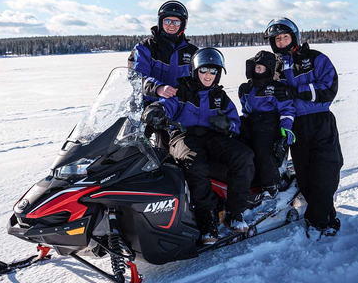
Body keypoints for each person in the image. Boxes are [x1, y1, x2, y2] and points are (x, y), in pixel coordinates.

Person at [142, 47, 255, 245]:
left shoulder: (220, 97)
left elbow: (235, 122)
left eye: (213, 71)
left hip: (212, 136)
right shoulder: (182, 90)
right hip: (183, 135)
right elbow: (167, 105)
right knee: (195, 163)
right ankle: (207, 219)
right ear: (195, 71)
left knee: (243, 156)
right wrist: (156, 109)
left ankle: (235, 213)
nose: (208, 75)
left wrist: (227, 125)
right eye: (204, 70)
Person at [264, 17, 344, 239]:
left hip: (319, 121)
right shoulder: (276, 67)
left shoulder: (316, 58)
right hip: (295, 126)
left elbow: (328, 88)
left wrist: (296, 91)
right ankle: (326, 216)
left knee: (325, 174)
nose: (281, 42)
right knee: (307, 177)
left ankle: (319, 222)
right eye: (277, 39)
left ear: (295, 36)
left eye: (285, 37)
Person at [128, 0, 198, 147]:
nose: (171, 25)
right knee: (132, 147)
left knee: (169, 153)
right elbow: (137, 77)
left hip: (174, 110)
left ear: (182, 25)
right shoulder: (144, 48)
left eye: (176, 22)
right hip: (145, 107)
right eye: (167, 20)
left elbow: (200, 81)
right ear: (161, 22)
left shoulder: (192, 52)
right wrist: (157, 88)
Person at [238, 50, 296, 200]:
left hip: (269, 122)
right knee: (237, 137)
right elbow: (245, 108)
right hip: (251, 120)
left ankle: (271, 184)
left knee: (262, 148)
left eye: (262, 68)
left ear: (269, 70)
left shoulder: (275, 88)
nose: (259, 70)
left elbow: (286, 108)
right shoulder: (246, 88)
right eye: (257, 67)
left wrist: (286, 126)